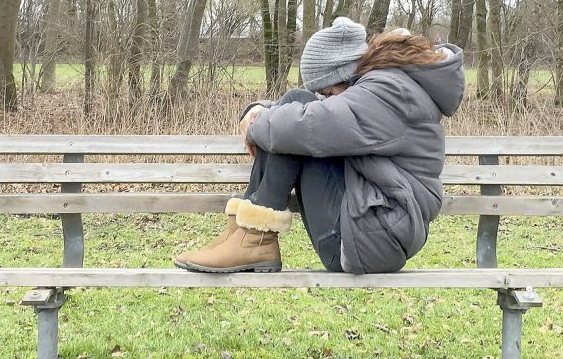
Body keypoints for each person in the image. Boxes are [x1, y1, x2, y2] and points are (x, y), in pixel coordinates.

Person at [174, 17, 465, 274]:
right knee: (295, 108)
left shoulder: (390, 93)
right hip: (374, 230)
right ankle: (241, 235)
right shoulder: (393, 86)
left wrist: (256, 124)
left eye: (326, 92)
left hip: (370, 239)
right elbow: (314, 116)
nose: (325, 98)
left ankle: (252, 238)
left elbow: (308, 124)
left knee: (298, 111)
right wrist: (258, 110)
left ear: (345, 76)